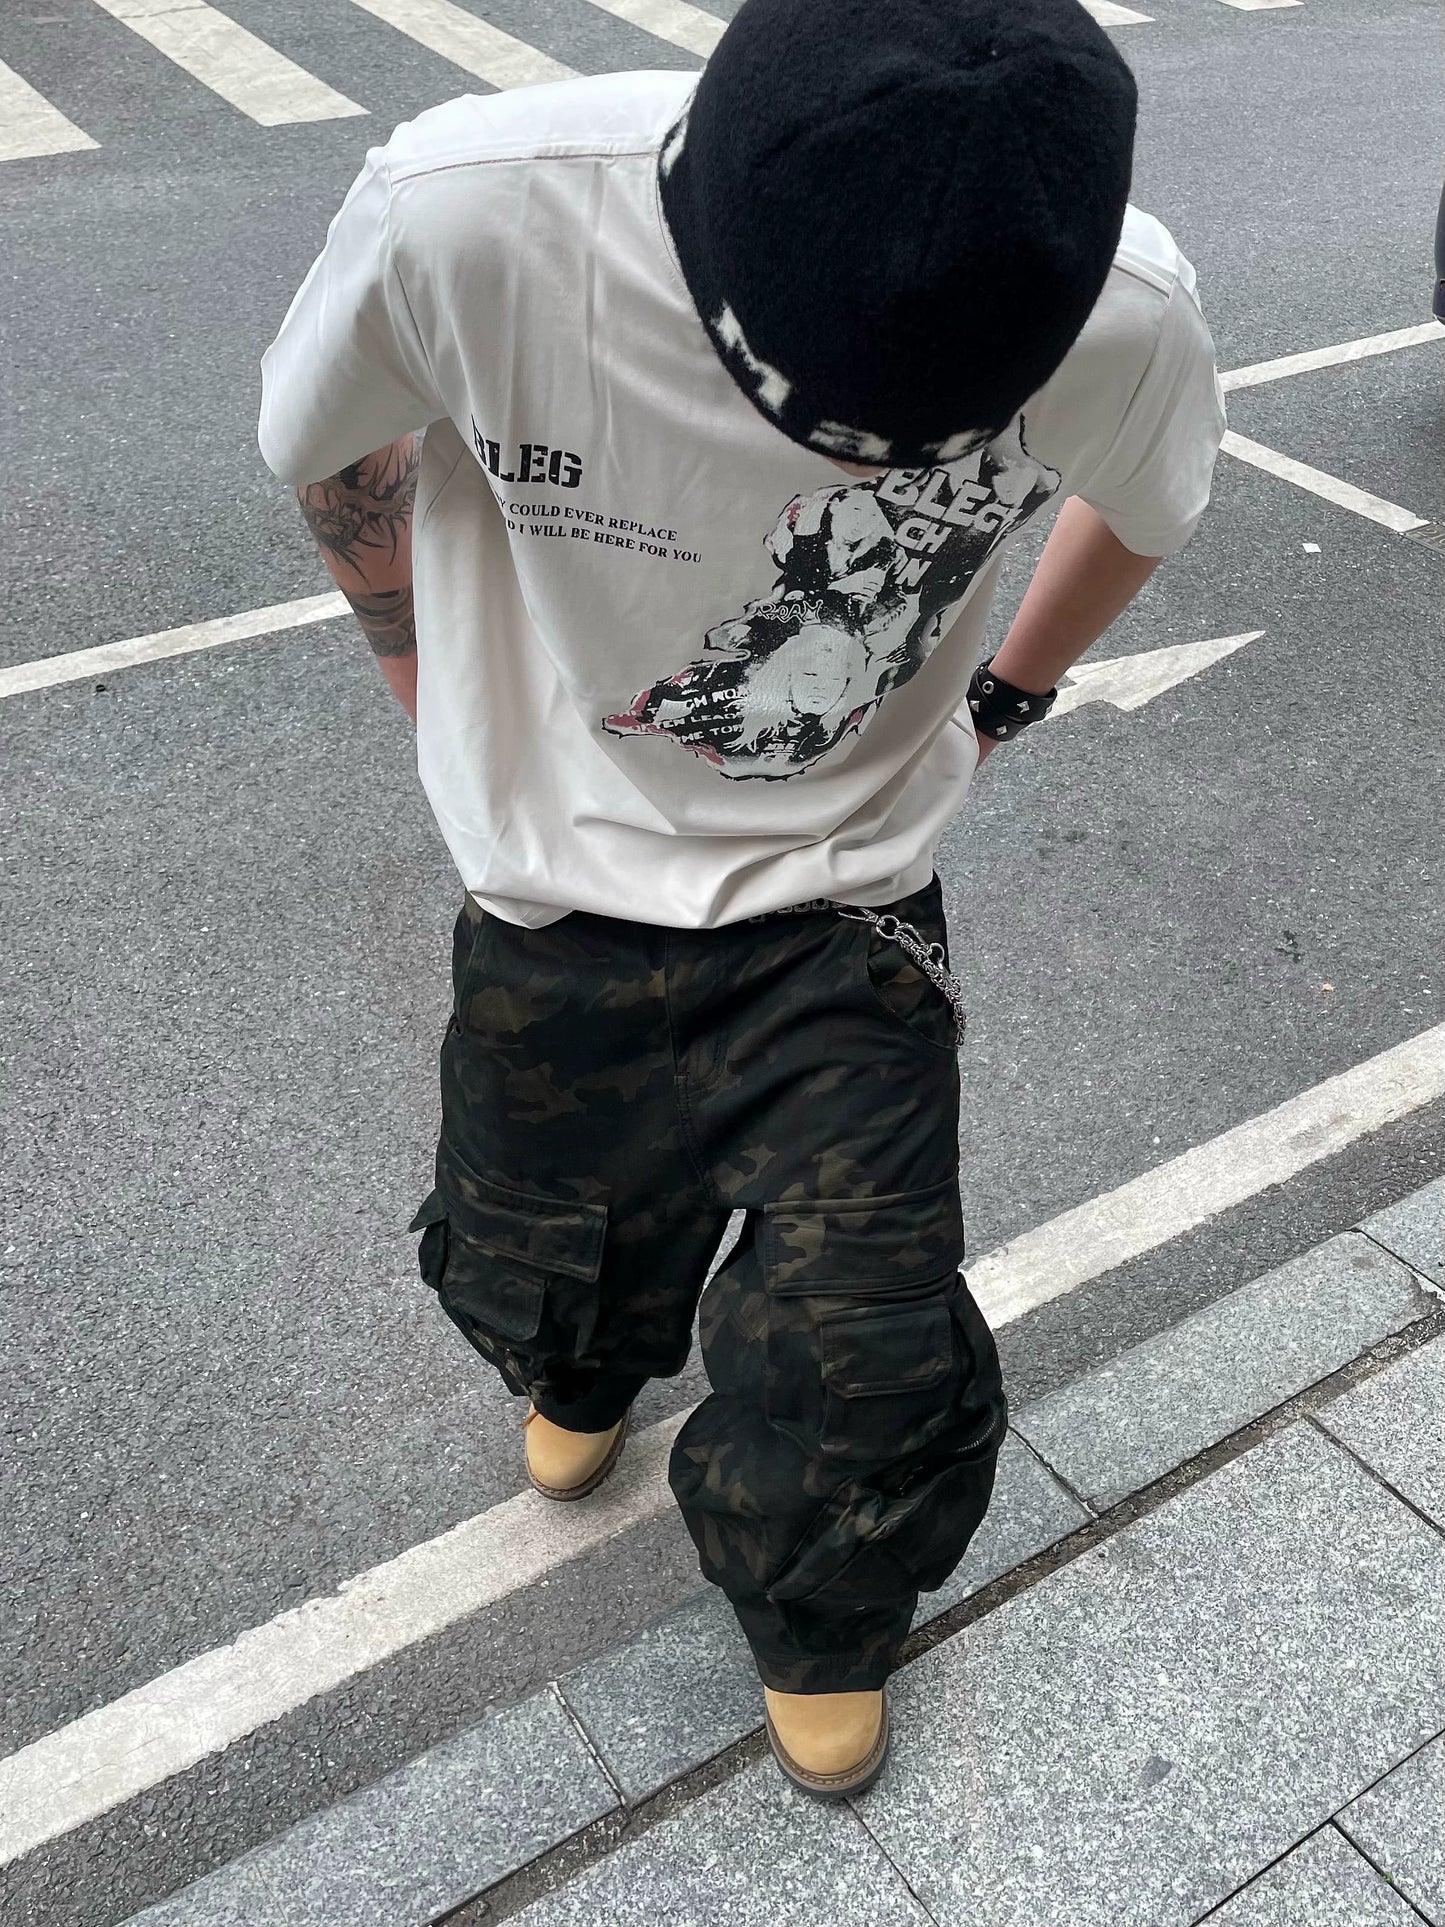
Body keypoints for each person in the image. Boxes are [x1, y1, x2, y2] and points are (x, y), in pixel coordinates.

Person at [258, 0, 1225, 1799]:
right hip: (552, 880)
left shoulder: (1114, 297)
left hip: (843, 891)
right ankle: (580, 1368)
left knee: (862, 1338)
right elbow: (332, 450)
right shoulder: (467, 215)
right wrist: (426, 694)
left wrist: (1006, 696)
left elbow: (1150, 497)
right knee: (545, 1228)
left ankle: (819, 1610)